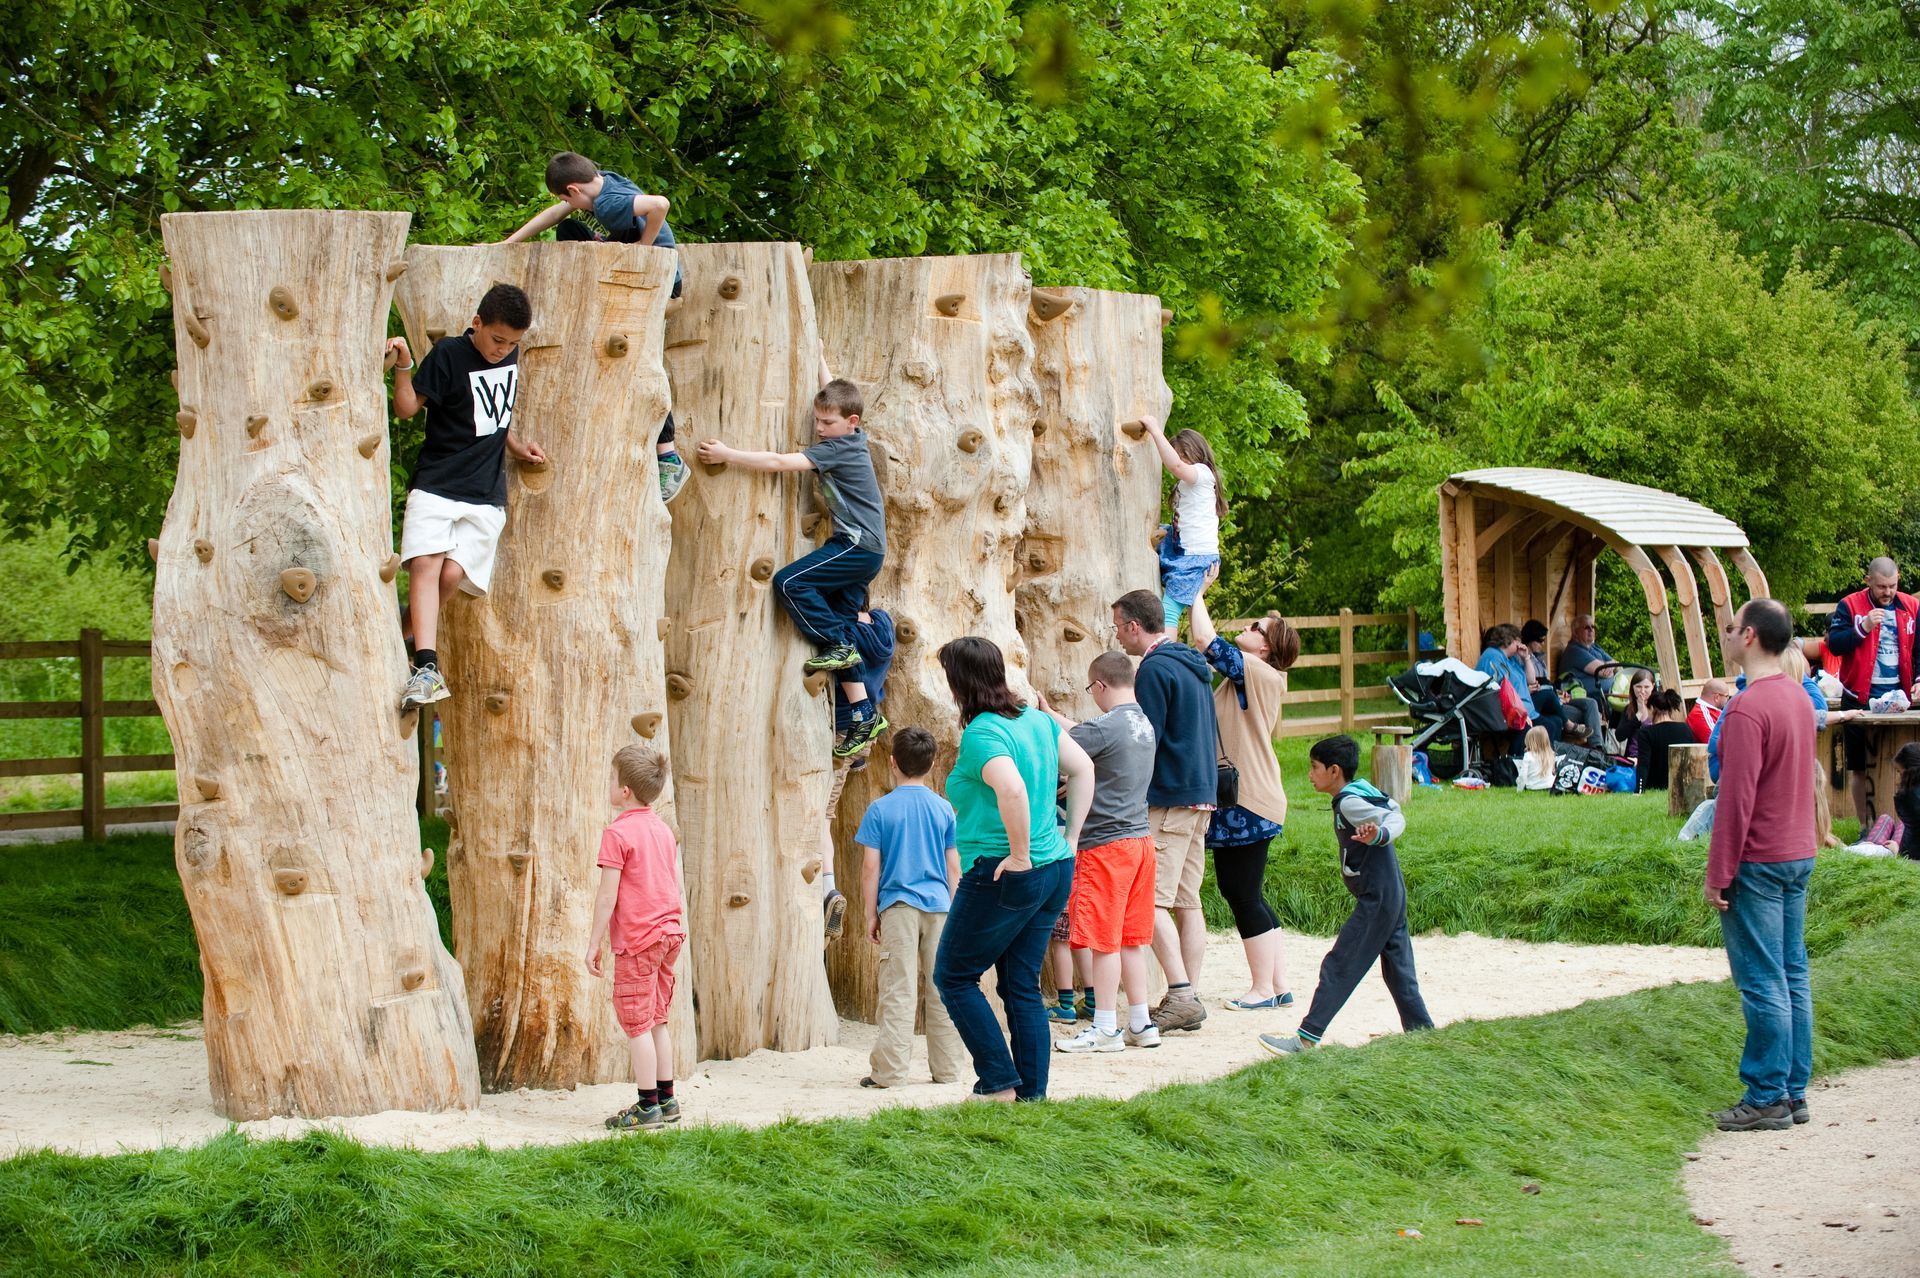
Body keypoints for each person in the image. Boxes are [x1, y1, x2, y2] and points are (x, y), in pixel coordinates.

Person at [696, 361, 889, 759]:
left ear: (850, 422)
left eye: (827, 422)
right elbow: (835, 390)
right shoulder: (852, 434)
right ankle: (864, 714)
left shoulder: (839, 448)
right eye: (817, 420)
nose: (819, 428)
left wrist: (728, 454)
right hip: (864, 549)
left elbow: (783, 463)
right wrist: (817, 356)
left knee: (789, 582)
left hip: (857, 547)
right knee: (843, 627)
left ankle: (839, 645)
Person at [931, 637, 1094, 1102]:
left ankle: (999, 1082)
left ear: (958, 681)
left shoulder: (984, 731)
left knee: (954, 977)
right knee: (1020, 984)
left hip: (1006, 872)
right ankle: (1031, 1094)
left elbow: (1012, 790)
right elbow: (1084, 769)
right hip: (1055, 868)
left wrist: (1020, 854)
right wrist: (1071, 840)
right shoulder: (1038, 720)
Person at [386, 283, 544, 711]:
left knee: (452, 577)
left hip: (485, 492)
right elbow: (406, 409)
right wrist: (404, 368)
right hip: (438, 480)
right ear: (477, 323)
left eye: (512, 343)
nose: (503, 349)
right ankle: (426, 667)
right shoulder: (450, 354)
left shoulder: (509, 354)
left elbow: (492, 410)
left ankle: (403, 634)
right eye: (497, 339)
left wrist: (513, 444)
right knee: (425, 564)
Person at [501, 151, 688, 503]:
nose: (564, 203)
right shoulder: (603, 182)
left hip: (657, 281)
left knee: (639, 364)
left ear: (572, 188)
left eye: (564, 197)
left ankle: (669, 456)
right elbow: (557, 212)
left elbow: (659, 204)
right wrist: (509, 243)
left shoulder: (608, 203)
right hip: (640, 267)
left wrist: (642, 251)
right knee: (569, 229)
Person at [1706, 597, 1817, 1132]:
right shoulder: (1798, 697)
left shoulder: (1747, 708)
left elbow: (1735, 800)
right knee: (1792, 972)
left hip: (1759, 858)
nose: (1725, 635)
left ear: (1748, 636)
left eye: (1730, 628)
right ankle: (1793, 1090)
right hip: (1798, 852)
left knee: (1762, 979)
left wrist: (1718, 873)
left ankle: (1767, 1093)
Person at [1259, 735, 1433, 1055]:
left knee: (1340, 963)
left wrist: (1380, 834)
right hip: (1391, 895)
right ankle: (1424, 1035)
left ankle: (1306, 1039)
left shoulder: (1350, 801)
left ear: (1334, 771)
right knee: (1398, 972)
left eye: (1314, 768)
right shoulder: (1362, 789)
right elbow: (1392, 805)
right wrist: (1379, 831)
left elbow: (1395, 818)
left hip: (1378, 898)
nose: (1310, 775)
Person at [1036, 651, 1163, 1053]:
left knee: (1103, 940)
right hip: (1141, 842)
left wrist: (1040, 717)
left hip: (1106, 846)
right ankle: (1140, 1022)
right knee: (1131, 939)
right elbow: (1083, 732)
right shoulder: (1141, 722)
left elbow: (1067, 744)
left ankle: (1106, 1027)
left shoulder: (1106, 727)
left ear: (1101, 685)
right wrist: (1053, 713)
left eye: (1091, 688)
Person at [1111, 588, 1218, 1032]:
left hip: (1169, 798)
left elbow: (1143, 739)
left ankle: (1180, 994)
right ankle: (1186, 992)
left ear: (1135, 627)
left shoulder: (1152, 671)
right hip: (1201, 794)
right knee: (1187, 902)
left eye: (1118, 627)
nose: (1117, 636)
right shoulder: (1192, 665)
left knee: (1149, 899)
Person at [1190, 575, 1297, 1010]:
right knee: (1249, 891)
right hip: (1255, 796)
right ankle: (1278, 983)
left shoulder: (1255, 671)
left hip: (1246, 800)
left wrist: (1194, 591)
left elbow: (1204, 638)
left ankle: (1263, 991)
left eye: (1256, 629)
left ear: (1265, 647)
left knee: (1241, 893)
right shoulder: (1256, 675)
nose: (1249, 630)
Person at [855, 727, 966, 1089]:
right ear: (933, 763)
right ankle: (948, 1070)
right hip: (941, 908)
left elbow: (871, 867)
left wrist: (870, 914)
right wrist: (955, 910)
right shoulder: (944, 808)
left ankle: (889, 1073)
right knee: (943, 990)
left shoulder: (879, 809)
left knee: (897, 990)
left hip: (898, 907)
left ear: (892, 763)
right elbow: (953, 866)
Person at [583, 744, 687, 1131]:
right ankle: (667, 1098)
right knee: (657, 1018)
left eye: (612, 779)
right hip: (669, 934)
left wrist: (595, 943)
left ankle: (646, 1107)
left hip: (639, 940)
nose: (609, 785)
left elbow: (608, 894)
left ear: (624, 790)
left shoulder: (618, 832)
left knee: (636, 1023)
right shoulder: (661, 829)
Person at [819, 601, 897, 937]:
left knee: (821, 815)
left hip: (842, 730)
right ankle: (858, 760)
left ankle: (828, 890)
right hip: (867, 731)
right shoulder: (883, 625)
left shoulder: (840, 631)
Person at [1823, 557, 1920, 823]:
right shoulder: (1850, 605)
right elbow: (1835, 645)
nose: (1888, 592)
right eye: (1881, 587)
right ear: (1868, 582)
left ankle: (1907, 824)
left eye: (1892, 585)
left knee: (1908, 764)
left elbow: (1919, 650)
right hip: (1859, 697)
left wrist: (1919, 679)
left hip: (1900, 699)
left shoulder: (1912, 606)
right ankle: (1865, 825)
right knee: (1858, 764)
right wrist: (1863, 627)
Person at [1138, 416, 1225, 630]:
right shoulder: (1188, 484)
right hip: (1183, 550)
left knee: (1169, 610)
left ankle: (1166, 657)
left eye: (1180, 455)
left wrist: (1155, 430)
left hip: (1195, 557)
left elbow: (1175, 466)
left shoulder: (1203, 474)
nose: (1175, 459)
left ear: (1193, 452)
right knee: (1185, 609)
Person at [1476, 623, 1563, 747]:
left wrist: (1526, 658)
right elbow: (1499, 691)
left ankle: (1550, 761)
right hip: (1508, 713)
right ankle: (1528, 761)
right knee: (1548, 726)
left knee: (1555, 722)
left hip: (1524, 709)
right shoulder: (1492, 656)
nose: (1520, 645)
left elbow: (1531, 679)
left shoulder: (1510, 659)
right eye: (1518, 641)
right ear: (1509, 640)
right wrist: (1520, 713)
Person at [1523, 620, 1602, 742]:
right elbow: (1535, 685)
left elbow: (1548, 684)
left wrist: (1559, 693)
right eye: (1540, 640)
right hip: (1547, 704)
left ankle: (1598, 748)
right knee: (1587, 715)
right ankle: (1592, 745)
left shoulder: (1540, 660)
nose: (1542, 644)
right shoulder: (1525, 660)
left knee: (1591, 703)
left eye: (1544, 640)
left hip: (1557, 698)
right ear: (1530, 639)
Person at [1636, 689, 1698, 791]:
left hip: (1655, 785)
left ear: (1652, 708)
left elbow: (1643, 764)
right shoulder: (1685, 729)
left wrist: (1639, 789)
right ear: (1671, 709)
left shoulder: (1646, 733)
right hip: (1680, 785)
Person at [1560, 613, 1623, 700]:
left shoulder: (1594, 647)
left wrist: (1611, 665)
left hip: (1609, 694)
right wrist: (1611, 668)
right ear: (1575, 632)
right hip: (1589, 697)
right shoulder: (1574, 650)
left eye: (1593, 627)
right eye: (1586, 627)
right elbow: (1603, 671)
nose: (1591, 630)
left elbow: (1618, 667)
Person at [1614, 669, 1656, 759]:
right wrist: (1638, 714)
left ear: (1653, 686)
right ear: (1633, 687)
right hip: (1633, 757)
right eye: (1638, 687)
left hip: (1653, 757)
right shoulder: (1629, 709)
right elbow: (1619, 736)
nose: (1642, 691)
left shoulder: (1658, 707)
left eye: (1646, 687)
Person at [1891, 743, 1920, 860]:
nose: (1899, 777)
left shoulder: (1908, 796)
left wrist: (1896, 849)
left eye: (1899, 772)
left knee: (1884, 821)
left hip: (1912, 857)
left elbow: (1913, 839)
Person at [1689, 679, 1731, 743]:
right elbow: (1716, 743)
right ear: (1717, 697)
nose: (1728, 699)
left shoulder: (1709, 711)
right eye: (1727, 696)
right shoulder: (1700, 715)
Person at [1517, 725, 1557, 791]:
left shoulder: (1528, 755)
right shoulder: (1551, 754)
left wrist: (1519, 789)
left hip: (1533, 787)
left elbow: (1522, 776)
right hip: (1549, 786)